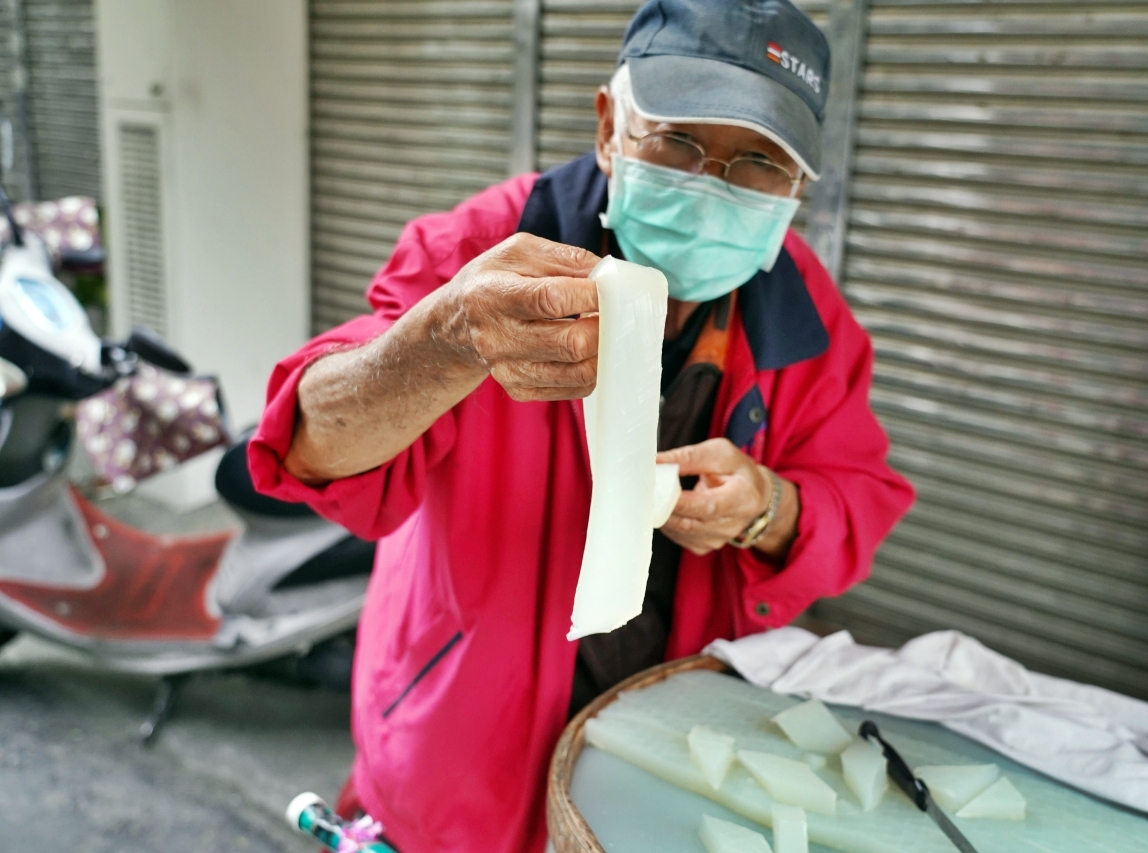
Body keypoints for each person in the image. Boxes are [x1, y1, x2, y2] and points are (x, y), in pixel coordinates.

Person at [248, 1, 914, 850]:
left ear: (797, 188)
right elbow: (308, 441)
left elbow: (857, 492)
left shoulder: (807, 315)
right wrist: (442, 343)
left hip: (681, 751)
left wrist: (766, 507)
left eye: (758, 160)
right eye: (675, 140)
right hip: (464, 747)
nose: (709, 183)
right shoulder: (481, 251)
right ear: (609, 126)